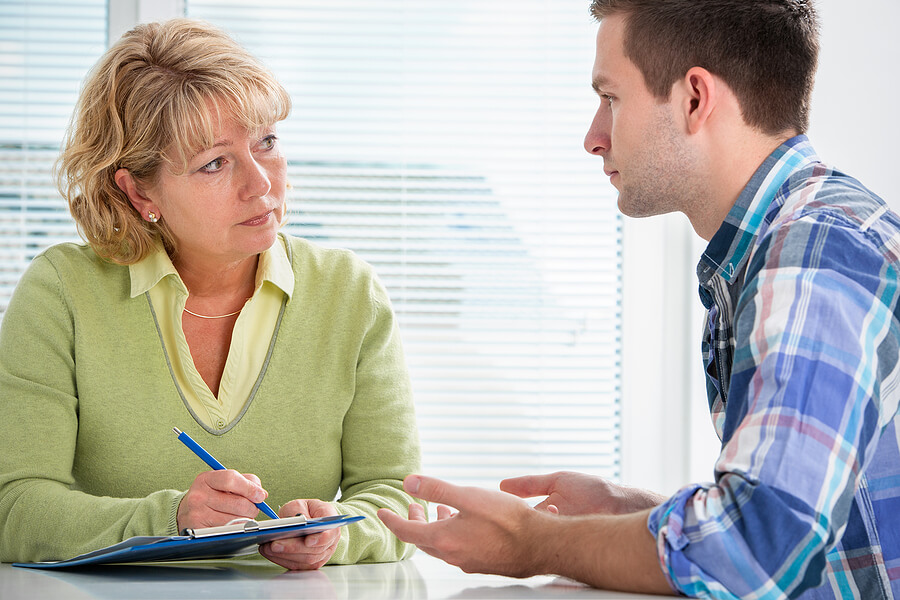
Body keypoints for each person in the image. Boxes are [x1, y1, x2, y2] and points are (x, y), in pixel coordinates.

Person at [378, 1, 900, 597]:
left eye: (611, 98)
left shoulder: (814, 253)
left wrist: (530, 542)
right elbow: (803, 523)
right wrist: (622, 511)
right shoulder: (784, 243)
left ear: (694, 99)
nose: (592, 137)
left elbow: (756, 548)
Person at [0, 18, 422, 570]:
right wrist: (172, 520)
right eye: (215, 163)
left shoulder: (350, 293)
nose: (262, 183)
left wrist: (336, 537)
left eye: (266, 142)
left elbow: (399, 498)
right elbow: (13, 509)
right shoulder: (62, 292)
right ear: (137, 189)